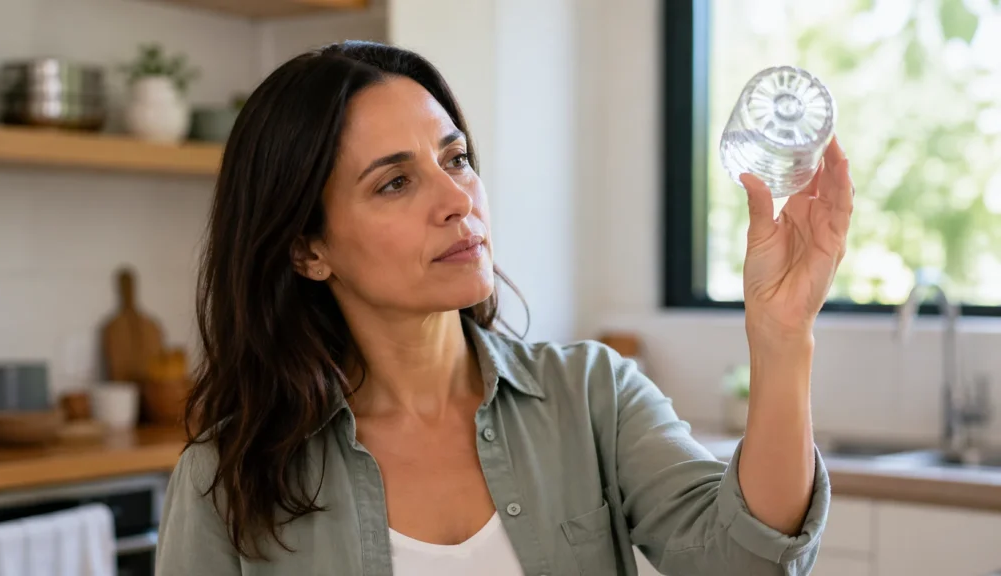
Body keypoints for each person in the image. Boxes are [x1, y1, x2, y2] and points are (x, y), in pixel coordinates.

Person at [155, 41, 852, 576]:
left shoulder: (590, 397)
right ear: (308, 250)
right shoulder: (226, 478)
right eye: (395, 182)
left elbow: (748, 562)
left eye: (455, 159)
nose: (458, 199)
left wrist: (783, 336)